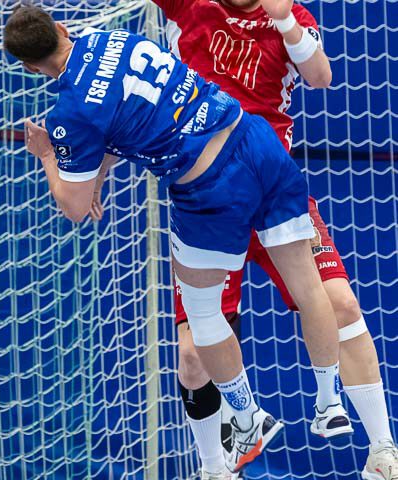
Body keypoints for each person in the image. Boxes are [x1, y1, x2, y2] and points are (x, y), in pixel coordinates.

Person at [5, 4, 347, 474]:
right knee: (311, 289)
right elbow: (121, 122)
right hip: (256, 139)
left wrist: (47, 155)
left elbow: (75, 207)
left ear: (28, 67)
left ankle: (248, 415)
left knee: (201, 315)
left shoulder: (70, 114)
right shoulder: (115, 40)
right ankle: (329, 404)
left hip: (210, 185)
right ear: (62, 28)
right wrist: (98, 173)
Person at [152, 0, 398, 477]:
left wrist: (284, 19)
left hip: (273, 191)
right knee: (192, 355)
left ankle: (383, 451)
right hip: (207, 200)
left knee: (342, 304)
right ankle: (214, 469)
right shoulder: (192, 6)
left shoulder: (292, 16)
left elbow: (321, 76)